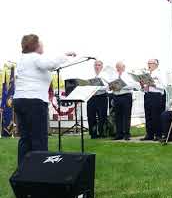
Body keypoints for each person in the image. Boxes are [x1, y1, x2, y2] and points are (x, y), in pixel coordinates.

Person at [12, 34, 76, 166]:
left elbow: (46, 65)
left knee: (25, 138)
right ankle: (39, 171)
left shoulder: (23, 59)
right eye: (41, 44)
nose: (43, 46)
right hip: (34, 102)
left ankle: (23, 170)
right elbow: (51, 64)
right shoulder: (35, 58)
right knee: (39, 138)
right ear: (36, 46)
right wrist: (66, 56)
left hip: (20, 101)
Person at [111, 61, 138, 141]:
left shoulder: (128, 75)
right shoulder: (114, 75)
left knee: (126, 116)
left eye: (120, 67)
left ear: (124, 67)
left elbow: (133, 85)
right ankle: (119, 134)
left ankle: (126, 134)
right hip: (116, 96)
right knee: (117, 116)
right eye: (117, 67)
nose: (118, 69)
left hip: (126, 96)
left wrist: (122, 86)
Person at [140, 59, 166, 141]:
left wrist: (154, 84)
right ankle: (149, 134)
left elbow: (164, 86)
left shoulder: (160, 73)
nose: (148, 65)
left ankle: (158, 134)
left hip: (156, 96)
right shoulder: (147, 74)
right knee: (148, 116)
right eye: (148, 63)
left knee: (156, 116)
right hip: (147, 95)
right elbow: (144, 88)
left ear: (156, 64)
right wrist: (142, 85)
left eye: (150, 63)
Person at [87, 60, 109, 139]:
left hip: (101, 97)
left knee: (102, 116)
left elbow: (106, 87)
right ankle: (93, 134)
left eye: (99, 65)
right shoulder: (90, 75)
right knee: (91, 116)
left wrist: (96, 87)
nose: (97, 67)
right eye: (95, 65)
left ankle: (102, 133)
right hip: (91, 97)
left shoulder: (105, 76)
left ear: (102, 66)